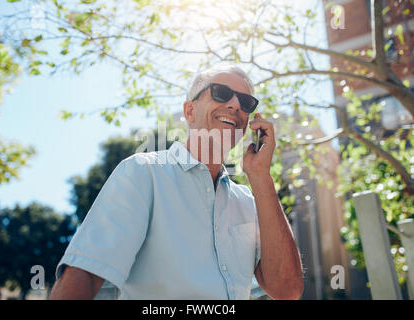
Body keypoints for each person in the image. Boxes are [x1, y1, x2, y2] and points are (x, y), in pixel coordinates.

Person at [49, 65, 304, 300]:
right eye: (222, 92)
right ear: (190, 111)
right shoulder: (143, 173)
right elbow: (84, 273)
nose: (236, 104)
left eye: (246, 101)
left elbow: (287, 290)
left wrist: (261, 178)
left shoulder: (249, 201)